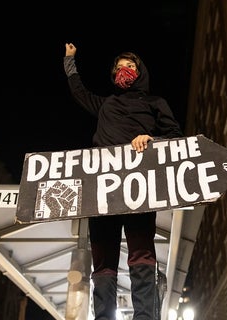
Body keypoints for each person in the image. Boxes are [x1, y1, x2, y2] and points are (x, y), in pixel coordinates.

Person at [63, 42, 183, 320]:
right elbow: (78, 90)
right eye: (119, 68)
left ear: (140, 72)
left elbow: (176, 136)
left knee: (141, 253)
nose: (123, 71)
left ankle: (145, 316)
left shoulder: (155, 103)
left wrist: (153, 140)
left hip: (139, 185)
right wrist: (70, 60)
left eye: (129, 67)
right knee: (103, 262)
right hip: (102, 188)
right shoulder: (106, 104)